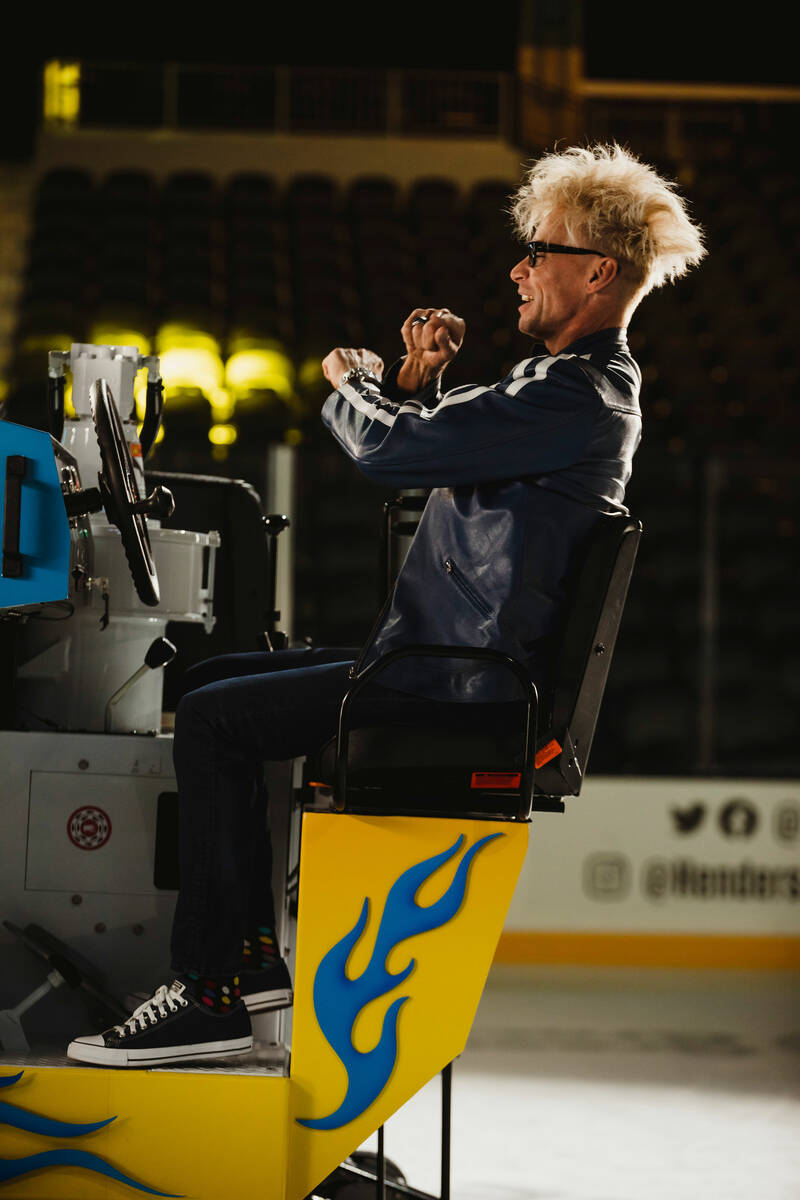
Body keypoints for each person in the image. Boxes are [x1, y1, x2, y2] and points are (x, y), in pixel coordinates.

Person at [67, 143, 705, 1067]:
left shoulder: (582, 391)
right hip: (442, 665)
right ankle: (245, 956)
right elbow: (451, 449)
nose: (517, 270)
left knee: (211, 716)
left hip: (456, 686)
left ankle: (210, 989)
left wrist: (352, 386)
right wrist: (422, 389)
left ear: (598, 271)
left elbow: (395, 454)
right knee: (223, 680)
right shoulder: (559, 387)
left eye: (538, 251)